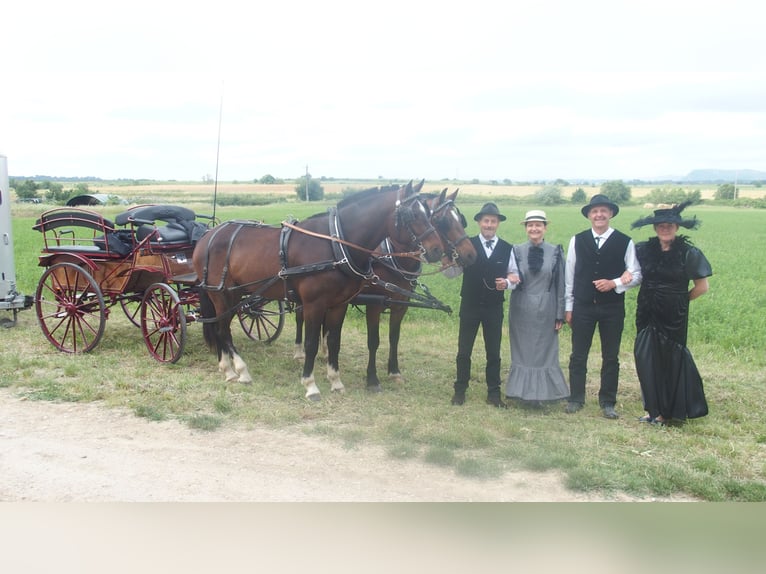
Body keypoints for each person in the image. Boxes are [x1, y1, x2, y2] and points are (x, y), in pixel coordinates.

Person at [631, 202, 712, 425]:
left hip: (673, 316)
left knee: (670, 359)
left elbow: (701, 287)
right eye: (660, 225)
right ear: (655, 228)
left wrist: (680, 300)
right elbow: (631, 273)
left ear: (677, 227)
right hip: (647, 311)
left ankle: (668, 412)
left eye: (670, 225)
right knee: (646, 358)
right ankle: (652, 409)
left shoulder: (689, 253)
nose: (665, 228)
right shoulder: (643, 250)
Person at [564, 194, 642, 419]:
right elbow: (570, 275)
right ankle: (576, 399)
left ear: (611, 214)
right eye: (595, 211)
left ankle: (608, 402)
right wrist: (568, 307)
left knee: (611, 356)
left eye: (603, 211)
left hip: (612, 308)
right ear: (589, 215)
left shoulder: (625, 241)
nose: (599, 215)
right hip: (583, 306)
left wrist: (614, 283)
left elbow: (636, 274)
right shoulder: (576, 240)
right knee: (578, 355)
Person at [452, 202, 519, 408]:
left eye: (493, 221)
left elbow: (515, 275)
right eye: (486, 221)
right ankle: (460, 390)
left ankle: (493, 393)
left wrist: (506, 283)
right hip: (470, 305)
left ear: (497, 224)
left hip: (493, 307)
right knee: (464, 351)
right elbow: (451, 274)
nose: (489, 224)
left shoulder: (508, 248)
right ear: (479, 223)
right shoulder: (467, 245)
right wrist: (448, 260)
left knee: (494, 352)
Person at [504, 210, 569, 407]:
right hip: (521, 308)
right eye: (530, 225)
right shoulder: (515, 251)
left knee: (544, 351)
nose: (534, 228)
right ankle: (521, 393)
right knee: (522, 350)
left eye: (538, 225)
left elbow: (561, 284)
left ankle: (543, 394)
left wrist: (560, 314)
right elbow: (510, 277)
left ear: (545, 228)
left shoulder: (556, 251)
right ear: (525, 228)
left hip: (547, 308)